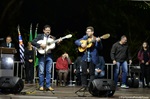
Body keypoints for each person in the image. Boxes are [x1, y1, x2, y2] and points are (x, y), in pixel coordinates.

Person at [31, 25, 61, 91]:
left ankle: (48, 85)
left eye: (49, 30)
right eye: (46, 30)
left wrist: (58, 43)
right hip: (41, 55)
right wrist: (40, 45)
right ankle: (41, 85)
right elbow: (32, 42)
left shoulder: (52, 38)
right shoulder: (39, 36)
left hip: (49, 55)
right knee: (41, 71)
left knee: (48, 71)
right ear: (43, 30)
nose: (48, 31)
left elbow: (55, 47)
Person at [75, 26, 102, 90]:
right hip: (85, 57)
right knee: (83, 72)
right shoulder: (84, 37)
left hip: (92, 58)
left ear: (92, 32)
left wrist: (99, 42)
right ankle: (84, 86)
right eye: (86, 31)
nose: (87, 32)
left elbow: (100, 48)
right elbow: (76, 41)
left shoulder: (95, 39)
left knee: (92, 73)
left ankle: (90, 86)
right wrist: (81, 44)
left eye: (89, 31)